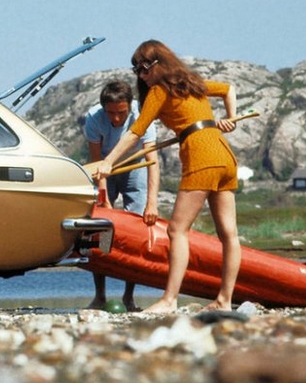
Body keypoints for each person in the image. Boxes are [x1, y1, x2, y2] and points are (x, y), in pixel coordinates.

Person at [94, 40, 240, 313]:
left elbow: (135, 132)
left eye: (145, 68)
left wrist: (108, 161)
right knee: (229, 234)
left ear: (159, 64)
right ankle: (225, 301)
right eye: (137, 70)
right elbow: (229, 89)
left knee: (177, 230)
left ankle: (169, 300)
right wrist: (230, 118)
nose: (141, 75)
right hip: (224, 155)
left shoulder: (160, 90)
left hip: (202, 157)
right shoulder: (191, 83)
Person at [84, 80, 160, 312]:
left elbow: (152, 161)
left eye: (121, 113)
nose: (116, 119)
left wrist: (152, 203)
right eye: (111, 113)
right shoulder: (93, 118)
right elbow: (97, 161)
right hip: (104, 168)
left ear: (130, 106)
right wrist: (104, 198)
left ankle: (128, 297)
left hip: (134, 165)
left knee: (135, 231)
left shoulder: (142, 115)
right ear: (103, 109)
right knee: (99, 229)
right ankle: (100, 296)